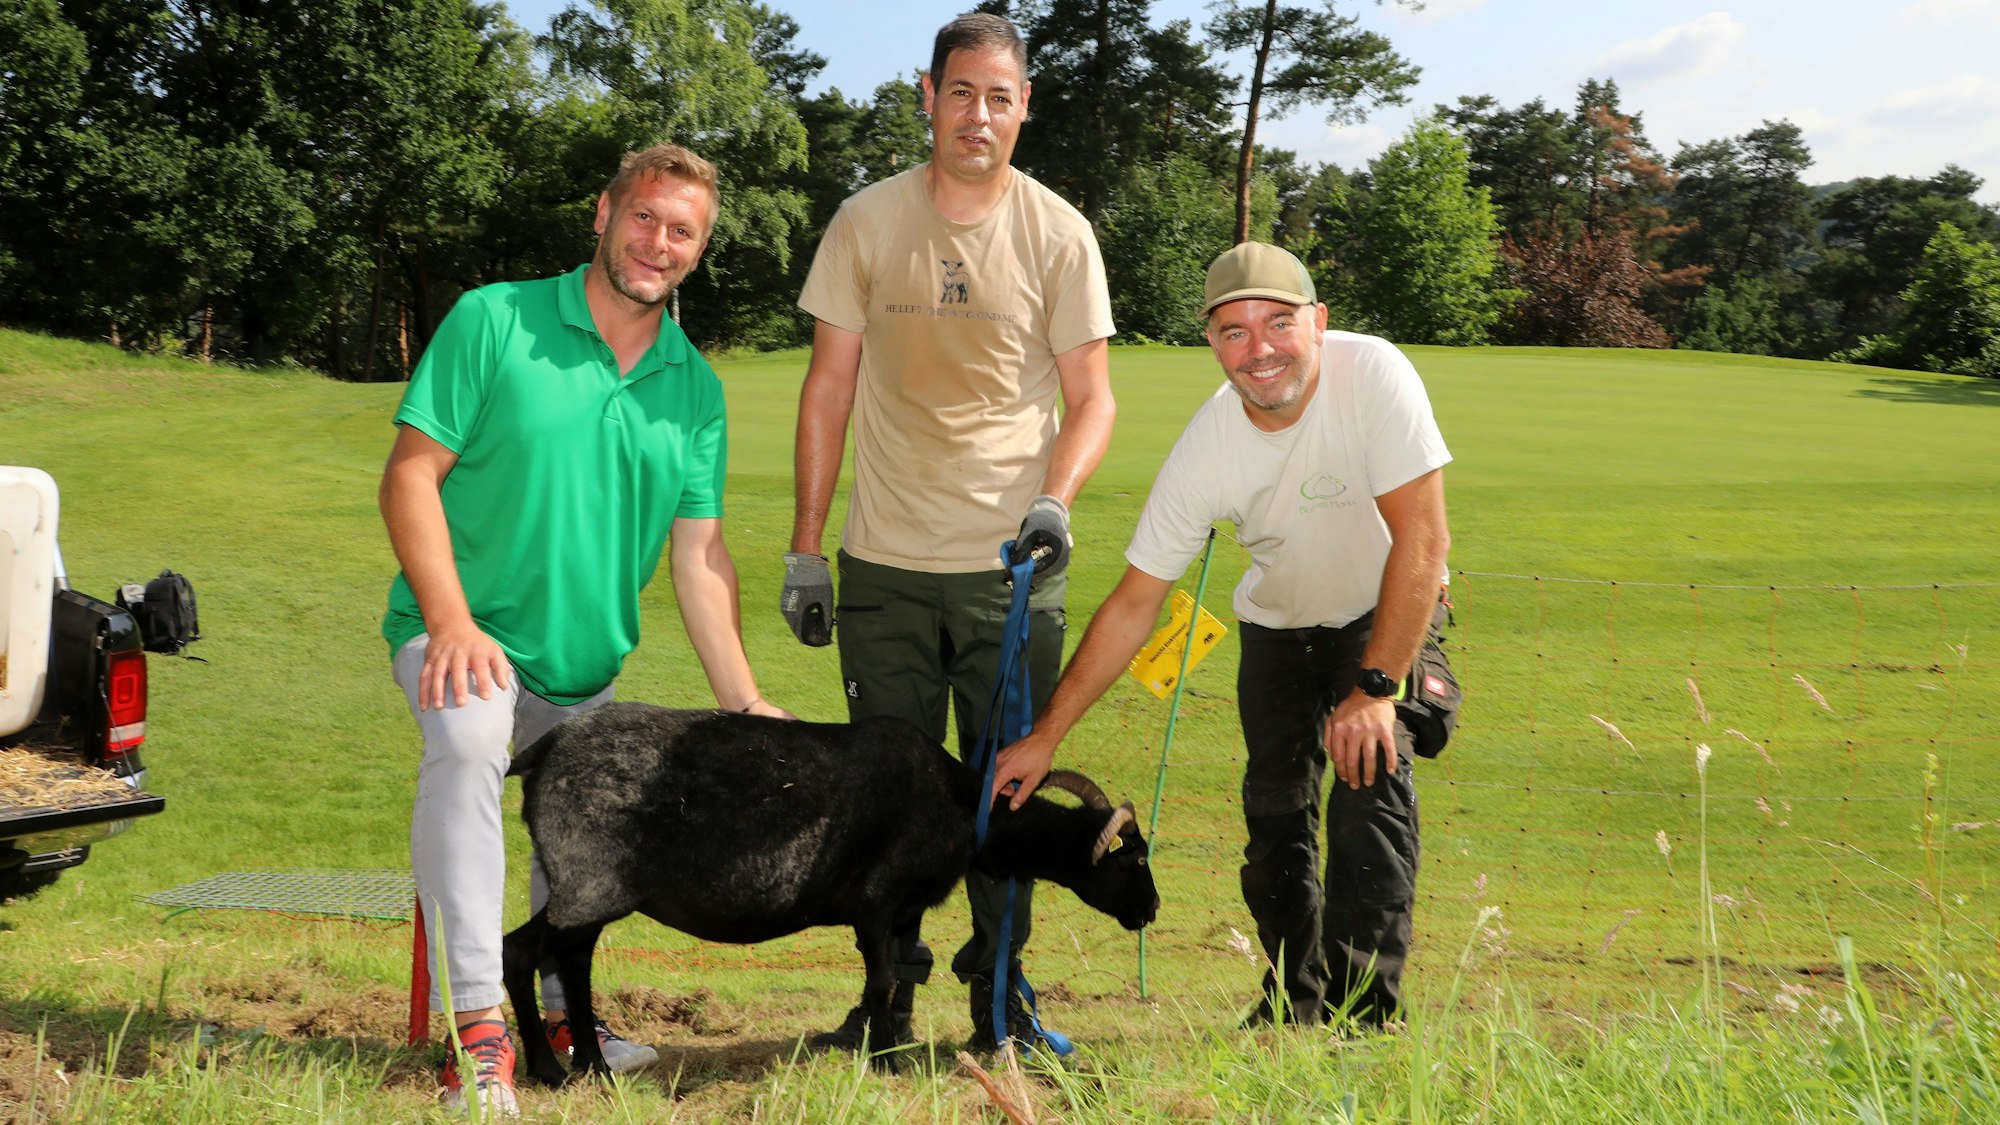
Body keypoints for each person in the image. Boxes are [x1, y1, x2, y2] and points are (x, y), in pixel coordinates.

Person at [380, 143, 791, 1115]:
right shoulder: (497, 319)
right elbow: (409, 477)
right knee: (471, 741)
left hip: (585, 667)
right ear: (602, 215)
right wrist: (449, 621)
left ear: (698, 251)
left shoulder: (695, 390)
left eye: (681, 231)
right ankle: (476, 1033)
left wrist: (743, 700)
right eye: (644, 217)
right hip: (456, 633)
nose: (658, 242)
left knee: (572, 841)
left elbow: (699, 559)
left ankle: (559, 1013)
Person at [992, 241, 1459, 1029]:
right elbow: (1136, 603)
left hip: (1385, 614)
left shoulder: (1374, 374)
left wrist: (1376, 689)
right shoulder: (1208, 445)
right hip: (1277, 629)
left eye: (1278, 322)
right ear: (1211, 342)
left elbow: (1423, 540)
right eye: (1233, 331)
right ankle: (1290, 1007)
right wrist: (1046, 735)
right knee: (1275, 827)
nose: (1259, 349)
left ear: (1318, 320)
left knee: (1363, 796)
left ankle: (1363, 1026)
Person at [780, 12, 1117, 1053]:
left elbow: (1092, 399)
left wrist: (1053, 498)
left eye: (999, 97)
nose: (979, 115)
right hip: (882, 563)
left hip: (1007, 574)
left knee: (1003, 795)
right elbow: (826, 390)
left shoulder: (1058, 232)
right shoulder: (865, 223)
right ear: (927, 98)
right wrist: (804, 546)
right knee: (886, 802)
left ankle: (999, 997)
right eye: (961, 92)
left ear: (1024, 109)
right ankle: (887, 1002)